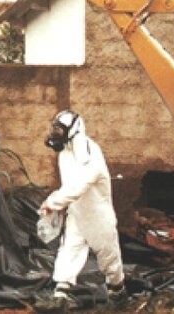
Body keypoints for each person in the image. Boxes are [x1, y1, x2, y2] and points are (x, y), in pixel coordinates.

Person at [36, 110, 127, 312]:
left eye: (60, 129)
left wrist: (53, 202)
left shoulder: (90, 153)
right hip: (77, 212)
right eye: (55, 128)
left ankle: (117, 291)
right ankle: (60, 294)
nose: (55, 133)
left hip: (98, 214)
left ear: (73, 130)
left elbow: (79, 184)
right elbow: (69, 185)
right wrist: (59, 206)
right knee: (69, 249)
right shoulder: (66, 152)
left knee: (108, 255)